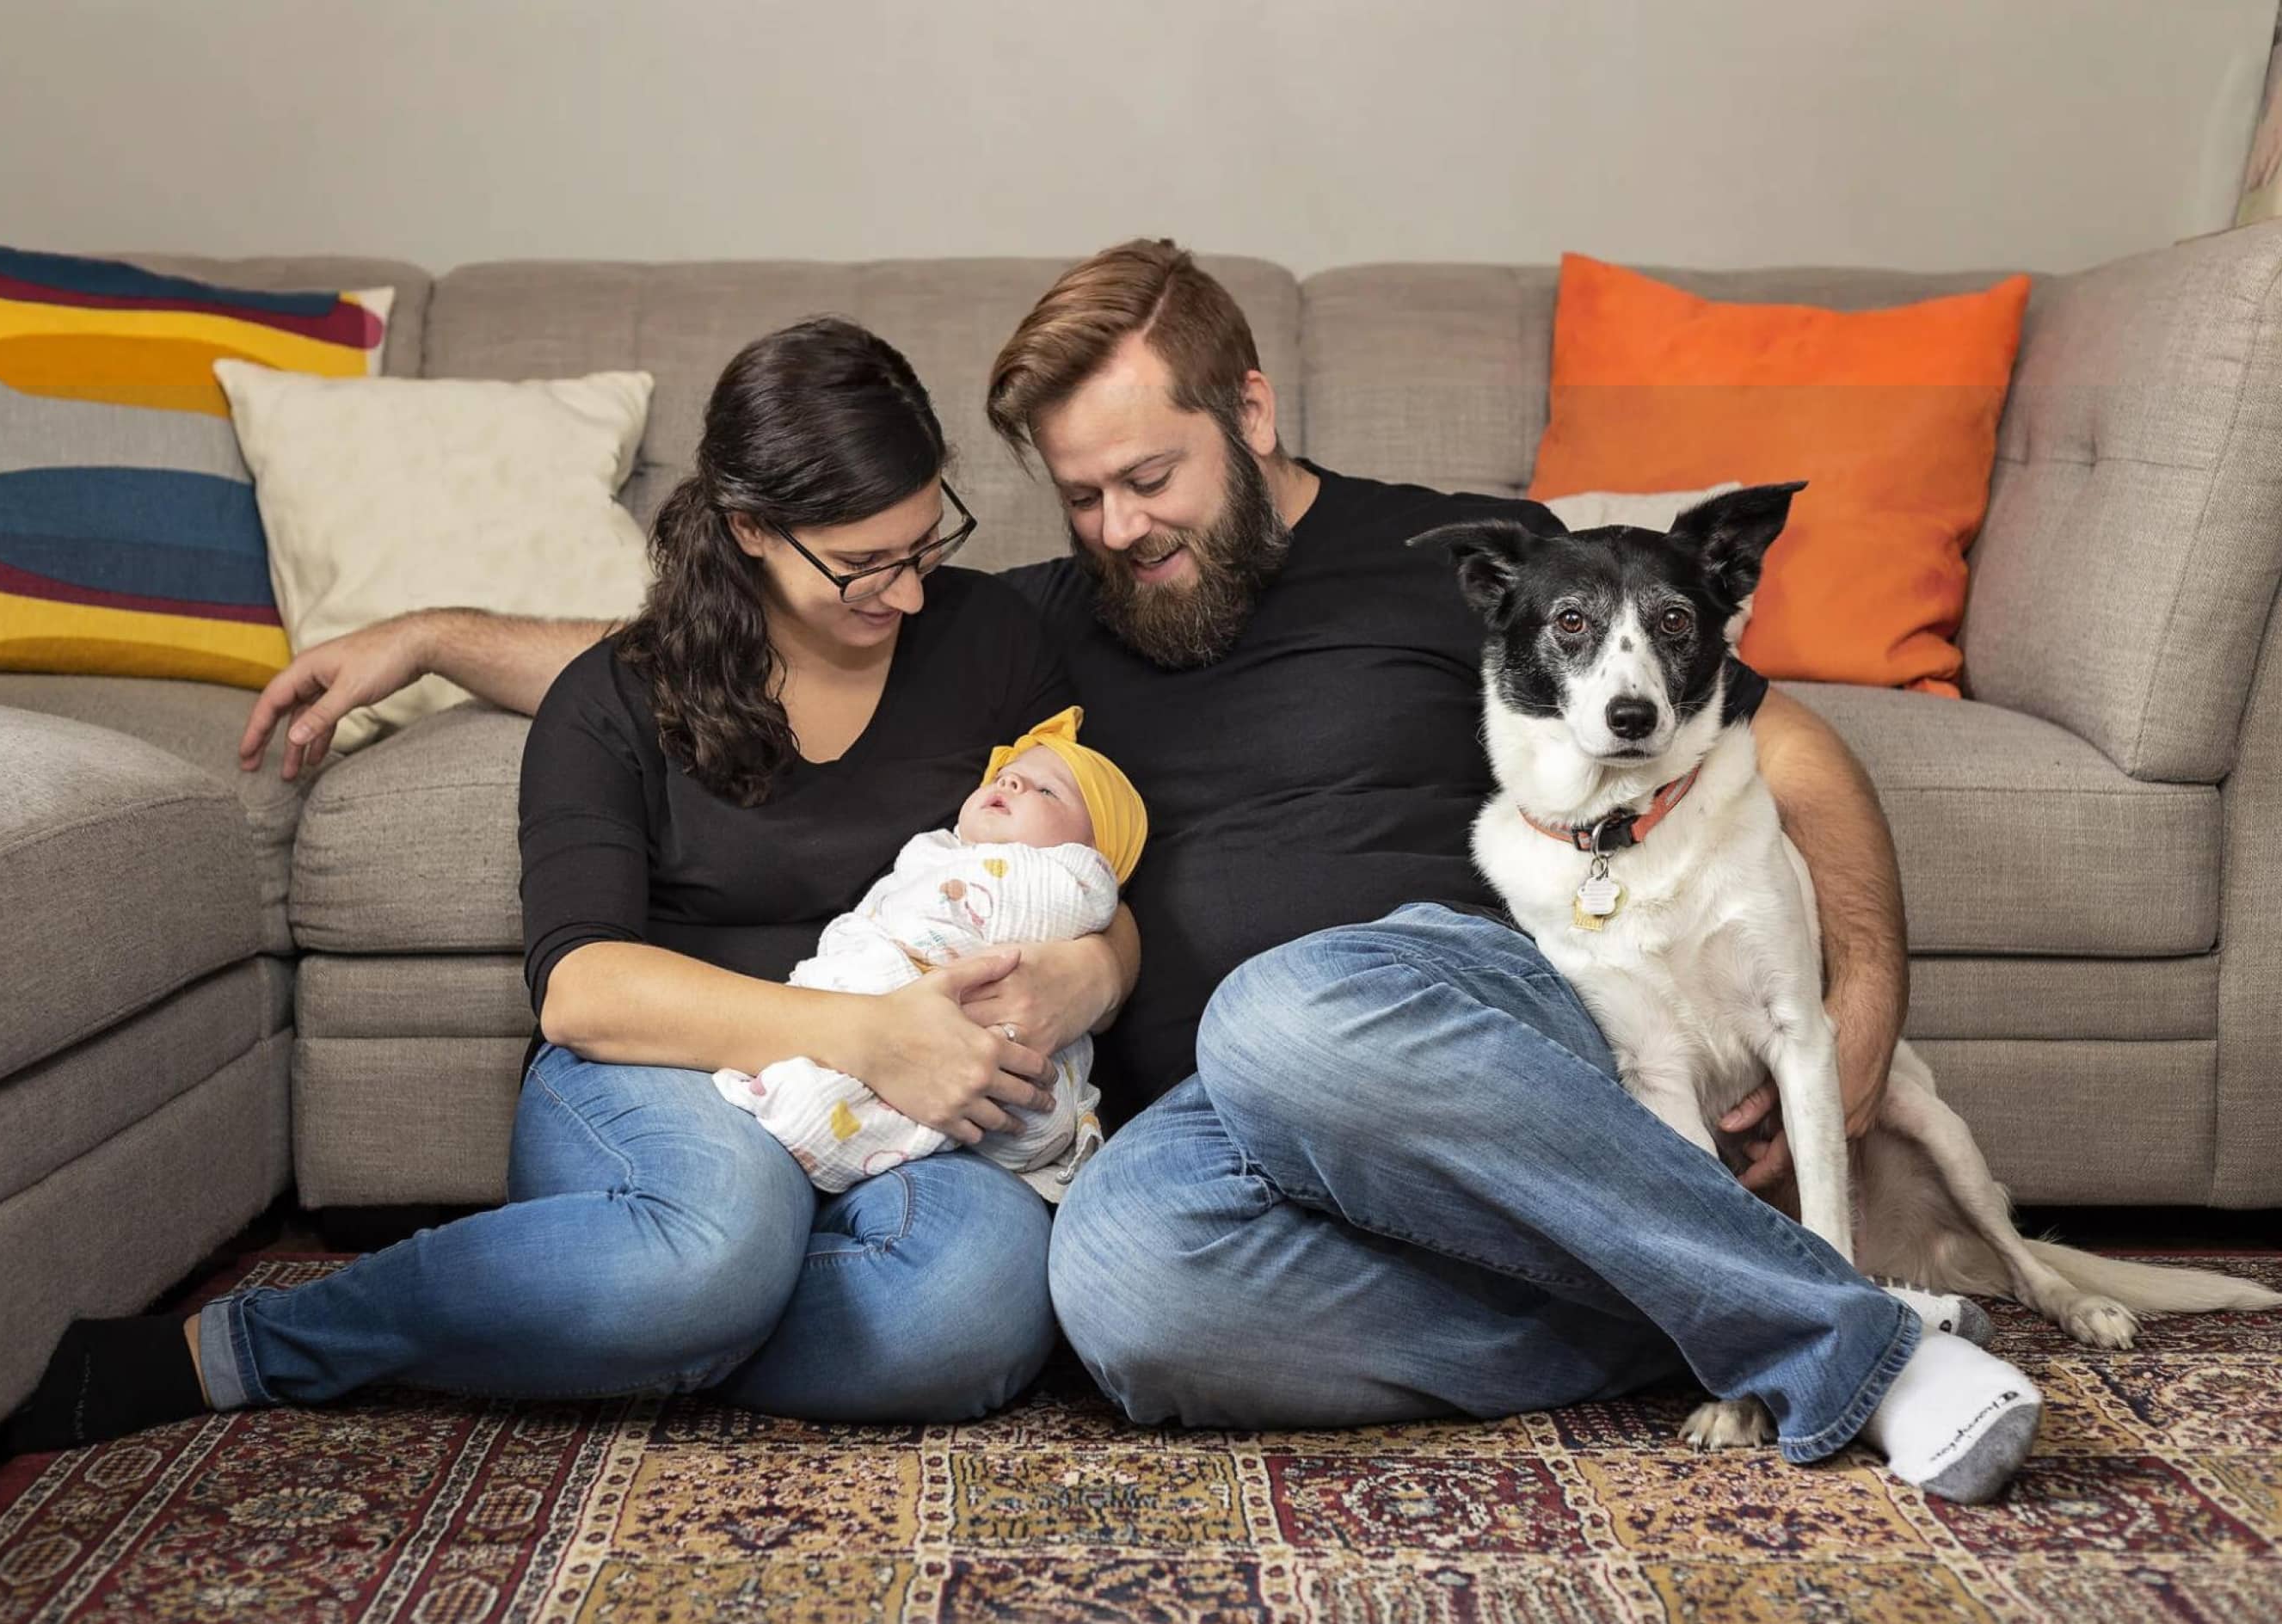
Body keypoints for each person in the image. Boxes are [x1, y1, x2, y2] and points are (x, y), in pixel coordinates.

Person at [228, 243, 2041, 1502]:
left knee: (1272, 1009)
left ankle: (1846, 1344)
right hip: (1214, 1128)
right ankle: (1691, 1303)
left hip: (1442, 1017)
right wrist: (429, 634)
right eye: (1076, 495)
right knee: (1116, 1293)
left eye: (1146, 477)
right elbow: (734, 653)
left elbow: (1778, 745)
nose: (1117, 531)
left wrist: (1856, 1003)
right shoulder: (1028, 621)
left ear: (1246, 411)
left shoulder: (1462, 562)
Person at [9, 317, 1139, 1449]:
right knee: (715, 1240)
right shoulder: (614, 698)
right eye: (860, 564)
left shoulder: (988, 640)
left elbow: (1087, 876)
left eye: (923, 545)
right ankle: (262, 1342)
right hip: (668, 1073)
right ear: (749, 525)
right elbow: (583, 989)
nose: (901, 594)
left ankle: (635, 1319)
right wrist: (866, 1033)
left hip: (914, 1103)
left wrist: (1088, 972)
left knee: (976, 1304)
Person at [717, 705, 1147, 1196]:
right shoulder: (935, 851)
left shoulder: (1065, 879)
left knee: (812, 1111)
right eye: (1006, 776)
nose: (1010, 786)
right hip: (858, 1012)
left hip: (970, 1047)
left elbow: (976, 909)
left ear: (1095, 850)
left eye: (1047, 791)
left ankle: (811, 1126)